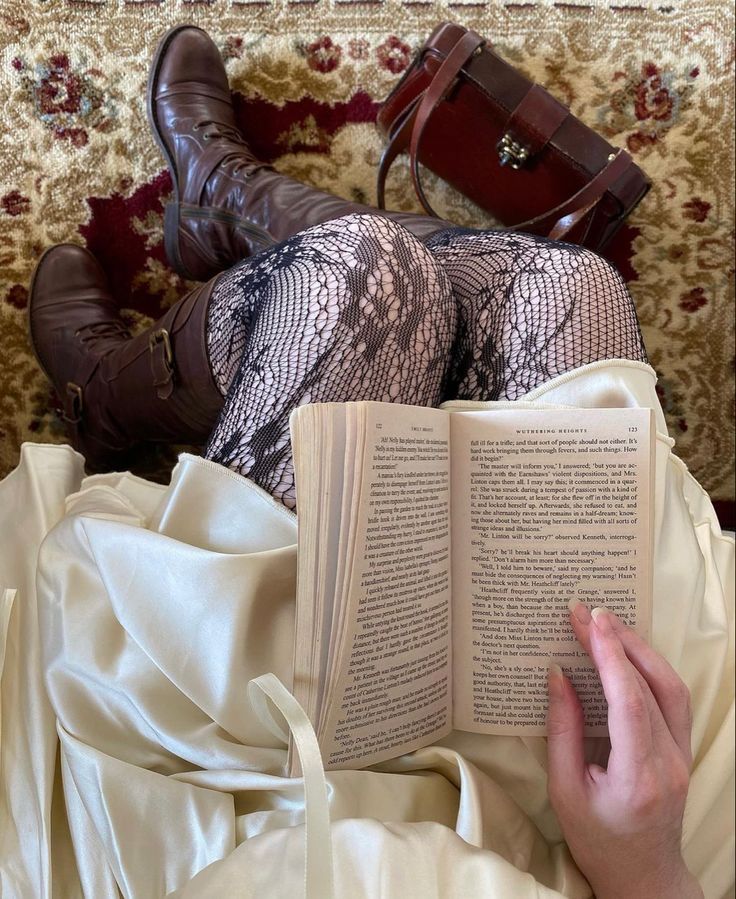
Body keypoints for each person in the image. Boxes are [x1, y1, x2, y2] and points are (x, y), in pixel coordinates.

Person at [20, 25, 724, 898]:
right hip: (571, 831)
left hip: (245, 801)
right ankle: (226, 205)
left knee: (358, 278)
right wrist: (646, 862)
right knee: (568, 288)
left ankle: (111, 383)